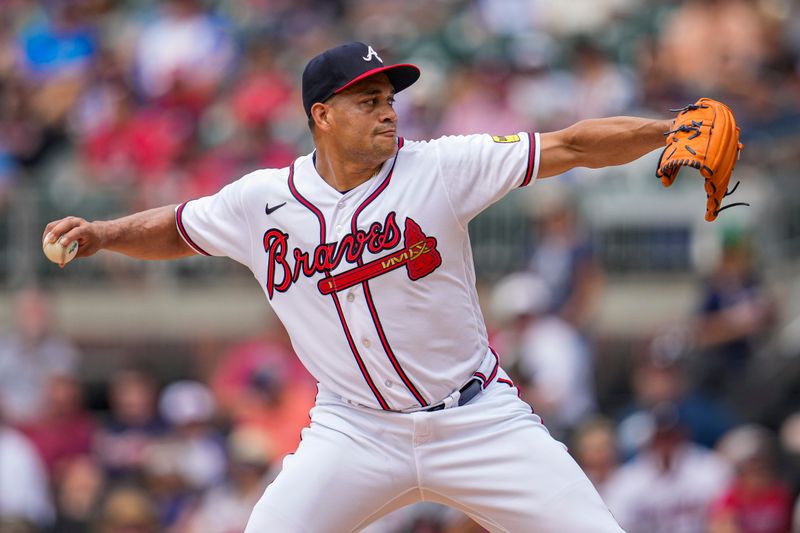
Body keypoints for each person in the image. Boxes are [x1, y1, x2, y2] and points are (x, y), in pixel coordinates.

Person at [44, 41, 680, 531]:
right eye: (367, 100)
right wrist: (103, 232)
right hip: (353, 432)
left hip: (477, 419)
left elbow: (568, 146)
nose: (387, 111)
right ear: (322, 115)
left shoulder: (439, 167)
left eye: (388, 98)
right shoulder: (262, 200)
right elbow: (179, 229)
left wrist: (668, 131)